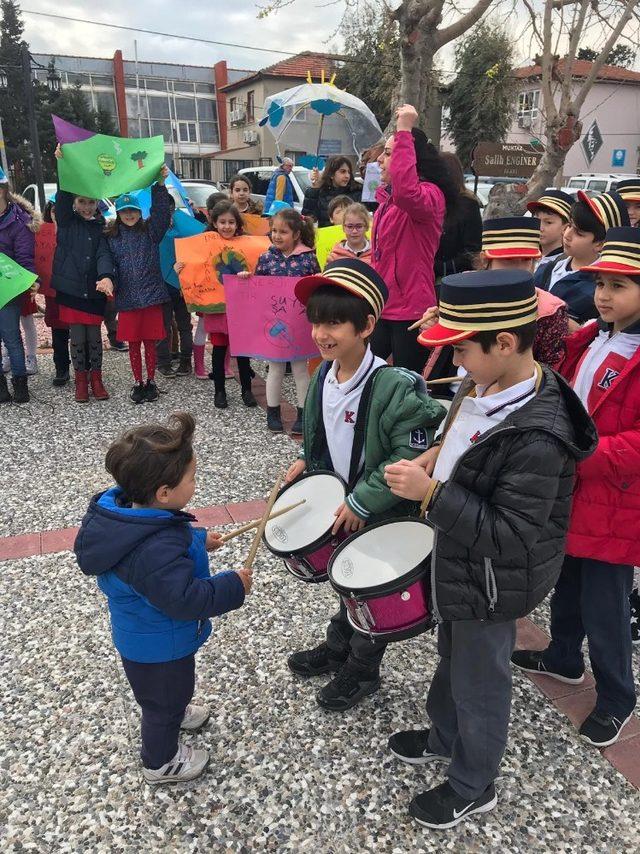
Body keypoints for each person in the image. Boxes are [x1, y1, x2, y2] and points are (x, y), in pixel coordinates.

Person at [383, 269, 596, 829]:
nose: (456, 365)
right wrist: (434, 459)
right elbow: (462, 432)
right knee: (451, 656)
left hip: (492, 578)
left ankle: (473, 782)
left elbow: (511, 533)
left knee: (481, 679)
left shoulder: (538, 436)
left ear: (504, 342)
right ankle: (442, 735)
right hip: (460, 560)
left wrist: (430, 493)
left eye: (462, 351)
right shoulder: (487, 383)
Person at [284, 258, 446, 711]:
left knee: (368, 585)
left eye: (335, 322)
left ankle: (362, 668)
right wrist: (304, 463)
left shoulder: (395, 385)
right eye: (316, 321)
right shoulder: (322, 376)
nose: (321, 333)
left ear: (367, 325)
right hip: (342, 505)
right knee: (345, 579)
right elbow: (318, 435)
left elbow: (408, 456)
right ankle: (339, 645)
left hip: (379, 508)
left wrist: (362, 499)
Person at [513, 226, 640, 747]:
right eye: (602, 283)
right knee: (565, 579)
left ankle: (617, 695)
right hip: (572, 488)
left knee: (605, 603)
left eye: (620, 285)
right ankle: (563, 654)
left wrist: (585, 454)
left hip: (614, 498)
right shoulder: (590, 337)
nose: (605, 294)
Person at [74, 412, 252, 784]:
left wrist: (199, 539)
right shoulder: (153, 549)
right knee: (161, 703)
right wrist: (233, 585)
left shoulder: (132, 515)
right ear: (164, 493)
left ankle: (175, 708)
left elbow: (163, 537)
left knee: (169, 691)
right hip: (159, 646)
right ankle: (161, 761)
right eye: (192, 477)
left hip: (149, 639)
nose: (196, 482)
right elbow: (183, 599)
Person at [422, 217, 569, 397]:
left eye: (526, 260)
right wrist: (439, 329)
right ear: (485, 260)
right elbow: (450, 352)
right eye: (508, 260)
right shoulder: (462, 289)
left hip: (507, 402)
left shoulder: (550, 311)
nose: (519, 270)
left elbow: (548, 374)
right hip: (448, 393)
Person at [371, 104, 457, 373]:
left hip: (411, 311)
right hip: (383, 304)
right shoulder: (387, 201)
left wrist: (405, 129)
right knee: (367, 376)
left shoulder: (429, 196)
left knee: (408, 385)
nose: (379, 161)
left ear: (409, 159)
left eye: (387, 154)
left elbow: (407, 191)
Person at [244, 208, 320, 434]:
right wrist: (246, 279)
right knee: (275, 368)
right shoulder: (266, 258)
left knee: (299, 369)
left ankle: (303, 413)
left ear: (296, 234)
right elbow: (258, 287)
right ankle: (273, 411)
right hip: (274, 323)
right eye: (273, 231)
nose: (276, 236)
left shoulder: (308, 258)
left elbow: (315, 286)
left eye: (283, 232)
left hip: (299, 323)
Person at [175, 200, 256, 409]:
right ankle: (219, 391)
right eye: (222, 222)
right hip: (217, 307)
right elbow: (194, 269)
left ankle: (247, 389)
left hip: (240, 309)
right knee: (219, 349)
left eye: (231, 222)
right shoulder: (204, 245)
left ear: (237, 224)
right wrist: (180, 268)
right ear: (214, 223)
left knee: (242, 352)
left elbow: (257, 267)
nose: (227, 226)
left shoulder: (247, 246)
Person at [52, 144, 115, 403]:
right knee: (77, 336)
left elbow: (103, 254)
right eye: (82, 202)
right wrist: (63, 165)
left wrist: (106, 276)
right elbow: (63, 194)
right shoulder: (67, 221)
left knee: (94, 337)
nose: (87, 207)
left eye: (91, 202)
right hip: (71, 289)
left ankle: (96, 378)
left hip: (93, 289)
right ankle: (80, 379)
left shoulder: (102, 227)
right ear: (75, 203)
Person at [105, 170, 172, 404]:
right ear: (118, 213)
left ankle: (151, 380)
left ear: (140, 212)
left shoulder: (150, 231)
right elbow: (108, 263)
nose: (129, 215)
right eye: (124, 211)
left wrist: (159, 186)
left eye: (133, 210)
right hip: (128, 298)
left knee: (150, 341)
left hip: (151, 295)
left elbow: (162, 214)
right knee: (133, 342)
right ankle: (137, 381)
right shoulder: (111, 237)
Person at [535, 191, 630, 325]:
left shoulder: (598, 288)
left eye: (579, 233)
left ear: (600, 244)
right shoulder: (547, 269)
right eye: (569, 226)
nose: (567, 235)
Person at [0, 167, 39, 404]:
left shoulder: (19, 221)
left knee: (12, 337)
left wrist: (29, 280)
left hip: (9, 286)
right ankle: (1, 388)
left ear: (4, 190)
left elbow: (25, 257)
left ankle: (20, 383)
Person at [156, 197, 194, 380]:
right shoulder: (185, 224)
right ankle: (183, 361)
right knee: (182, 325)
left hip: (167, 284)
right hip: (180, 284)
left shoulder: (154, 227)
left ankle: (165, 362)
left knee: (166, 326)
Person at [434, 152, 482, 278]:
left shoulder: (468, 205)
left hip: (455, 278)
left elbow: (472, 251)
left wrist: (440, 267)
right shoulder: (432, 201)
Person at [302, 156, 362, 227]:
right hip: (328, 236)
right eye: (343, 172)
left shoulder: (356, 191)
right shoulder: (320, 192)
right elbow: (308, 218)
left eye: (349, 172)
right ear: (331, 174)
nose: (347, 176)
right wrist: (314, 188)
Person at [526, 189, 573, 268]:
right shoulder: (526, 257)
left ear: (565, 228)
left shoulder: (565, 265)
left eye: (548, 222)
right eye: (537, 220)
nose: (540, 228)